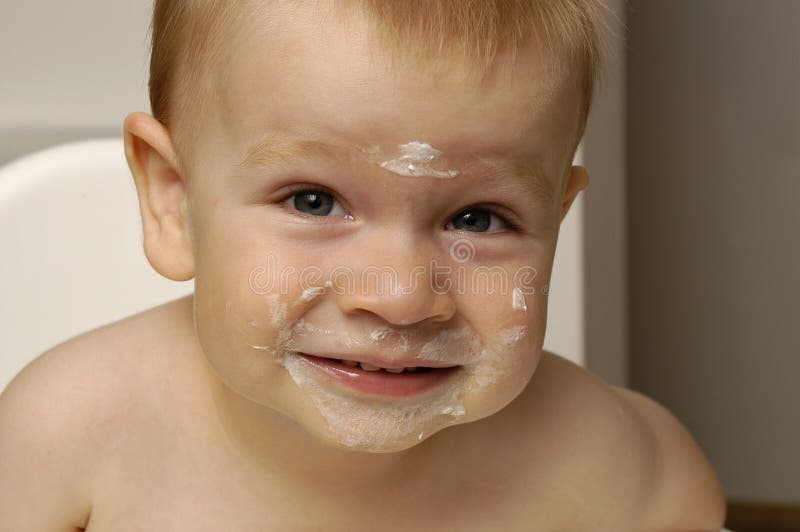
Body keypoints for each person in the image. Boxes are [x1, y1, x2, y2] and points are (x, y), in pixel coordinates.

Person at [0, 1, 727, 530]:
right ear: (174, 201)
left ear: (554, 222)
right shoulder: (68, 439)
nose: (401, 297)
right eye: (314, 201)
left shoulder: (614, 468)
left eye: (478, 219)